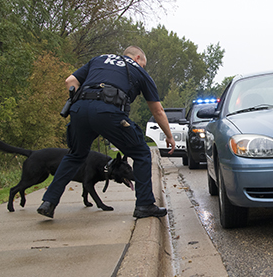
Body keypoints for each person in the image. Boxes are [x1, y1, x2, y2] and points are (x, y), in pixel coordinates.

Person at [37, 46, 176, 219]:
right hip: (108, 112)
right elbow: (158, 111)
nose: (143, 67)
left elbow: (70, 81)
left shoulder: (98, 59)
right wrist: (169, 136)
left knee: (75, 155)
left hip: (79, 110)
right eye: (143, 64)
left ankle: (49, 202)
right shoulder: (138, 71)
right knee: (141, 153)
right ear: (138, 58)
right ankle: (145, 205)